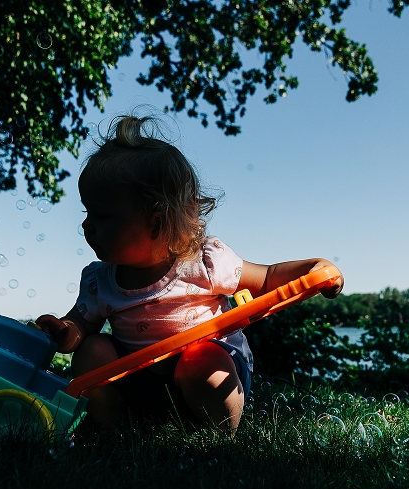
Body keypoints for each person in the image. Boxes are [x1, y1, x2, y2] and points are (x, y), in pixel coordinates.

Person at [36, 115, 343, 432]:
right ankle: (118, 429)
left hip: (207, 376)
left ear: (156, 221)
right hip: (137, 379)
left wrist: (314, 268)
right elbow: (80, 326)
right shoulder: (100, 280)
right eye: (88, 212)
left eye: (101, 215)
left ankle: (217, 431)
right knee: (92, 350)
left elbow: (266, 279)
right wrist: (65, 331)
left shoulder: (205, 263)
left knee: (201, 359)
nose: (87, 225)